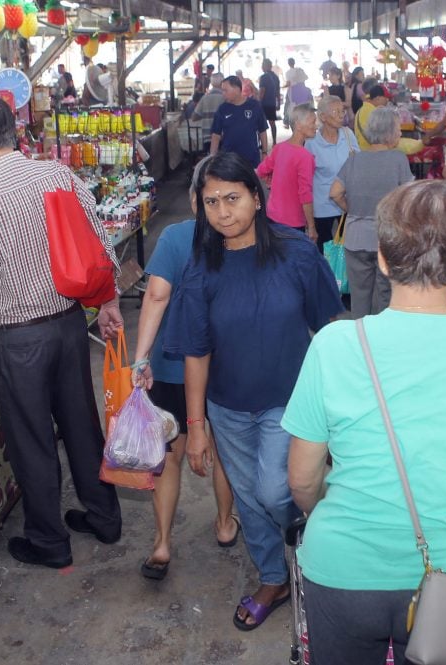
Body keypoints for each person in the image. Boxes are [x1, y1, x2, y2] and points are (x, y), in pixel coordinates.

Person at [284, 179, 446, 665]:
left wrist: (325, 511)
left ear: (380, 258)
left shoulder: (334, 346)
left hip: (342, 569)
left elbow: (302, 477)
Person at [0, 95, 124, 569]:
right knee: (80, 424)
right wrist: (108, 300)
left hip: (21, 340)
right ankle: (104, 516)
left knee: (32, 439)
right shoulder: (57, 174)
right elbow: (99, 243)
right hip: (70, 325)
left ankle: (49, 542)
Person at [164, 152, 343, 632]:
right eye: (211, 202)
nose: (223, 211)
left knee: (276, 490)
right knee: (248, 497)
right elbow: (196, 352)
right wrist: (196, 426)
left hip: (291, 402)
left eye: (232, 198)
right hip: (227, 406)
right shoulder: (203, 266)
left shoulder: (296, 253)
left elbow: (328, 328)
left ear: (256, 199)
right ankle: (273, 577)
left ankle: (322, 541)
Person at [130, 161, 240, 581]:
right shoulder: (240, 239)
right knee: (225, 449)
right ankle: (226, 524)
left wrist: (141, 359)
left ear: (193, 199)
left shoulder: (176, 236)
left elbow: (156, 297)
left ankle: (161, 543)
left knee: (169, 456)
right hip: (226, 364)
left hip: (171, 366)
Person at [330, 107, 414, 316]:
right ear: (388, 131)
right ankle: (380, 340)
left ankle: (360, 337)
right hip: (387, 237)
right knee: (385, 294)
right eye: (398, 129)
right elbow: (409, 199)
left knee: (359, 294)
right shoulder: (398, 159)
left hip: (355, 237)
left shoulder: (354, 159)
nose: (400, 133)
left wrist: (353, 210)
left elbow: (335, 193)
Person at [306, 95, 359, 250]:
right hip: (322, 205)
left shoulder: (348, 134)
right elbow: (306, 177)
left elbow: (358, 160)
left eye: (342, 111)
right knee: (324, 247)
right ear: (323, 117)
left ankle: (343, 274)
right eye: (336, 112)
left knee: (348, 247)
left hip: (346, 202)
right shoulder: (312, 142)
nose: (341, 115)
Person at [258, 104, 318, 240]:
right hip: (293, 222)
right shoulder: (305, 157)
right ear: (298, 125)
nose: (316, 126)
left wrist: (270, 179)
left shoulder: (279, 148)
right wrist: (312, 227)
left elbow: (261, 170)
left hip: (272, 216)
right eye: (313, 122)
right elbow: (305, 194)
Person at [209, 75, 269, 168]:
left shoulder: (254, 106)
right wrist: (212, 158)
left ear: (237, 89)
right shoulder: (222, 109)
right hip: (229, 160)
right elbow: (216, 135)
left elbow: (262, 131)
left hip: (251, 160)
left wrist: (264, 153)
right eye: (222, 90)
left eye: (225, 90)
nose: (223, 94)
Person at [353, 83, 390, 151]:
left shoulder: (361, 110)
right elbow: (380, 137)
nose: (387, 101)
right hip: (371, 153)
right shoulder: (374, 113)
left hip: (362, 152)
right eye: (386, 98)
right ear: (377, 98)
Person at [257, 59, 281, 145]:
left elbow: (262, 91)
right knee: (272, 123)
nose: (261, 67)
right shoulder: (276, 77)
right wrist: (278, 102)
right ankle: (274, 141)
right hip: (272, 103)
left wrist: (258, 101)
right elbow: (278, 91)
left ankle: (260, 143)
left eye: (262, 65)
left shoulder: (263, 77)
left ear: (266, 66)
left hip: (264, 104)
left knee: (260, 124)